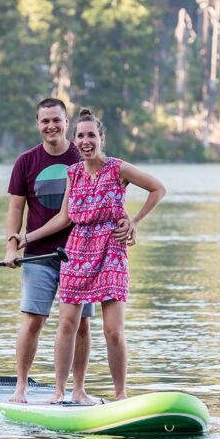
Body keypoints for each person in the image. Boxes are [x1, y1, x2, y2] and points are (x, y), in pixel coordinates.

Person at [15, 107, 166, 403]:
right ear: (75, 139)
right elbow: (64, 218)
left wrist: (134, 222)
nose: (86, 141)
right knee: (67, 324)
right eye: (81, 136)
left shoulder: (117, 168)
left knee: (113, 331)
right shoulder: (73, 173)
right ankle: (60, 392)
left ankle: (121, 396)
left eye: (91, 135)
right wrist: (26, 238)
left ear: (101, 138)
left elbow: (157, 189)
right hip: (77, 251)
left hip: (111, 250)